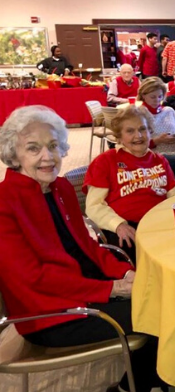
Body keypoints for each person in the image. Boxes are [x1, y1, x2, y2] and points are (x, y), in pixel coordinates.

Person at [0, 105, 163, 392]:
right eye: (33, 149)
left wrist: (124, 272)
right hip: (52, 316)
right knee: (162, 312)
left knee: (167, 295)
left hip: (87, 290)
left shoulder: (59, 188)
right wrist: (111, 289)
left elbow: (87, 247)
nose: (47, 157)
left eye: (53, 146)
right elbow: (33, 279)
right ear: (14, 154)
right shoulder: (5, 203)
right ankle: (139, 383)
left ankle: (138, 380)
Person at [84, 106, 175, 262]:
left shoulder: (159, 160)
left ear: (150, 132)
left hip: (159, 223)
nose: (139, 135)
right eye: (130, 131)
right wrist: (118, 225)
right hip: (125, 227)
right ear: (119, 136)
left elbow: (174, 195)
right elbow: (94, 206)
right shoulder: (105, 161)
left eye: (143, 129)